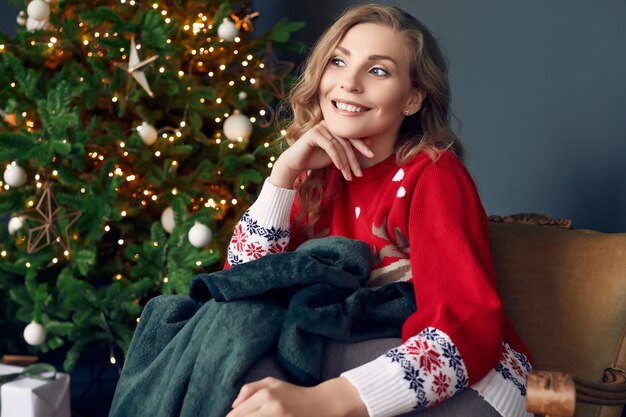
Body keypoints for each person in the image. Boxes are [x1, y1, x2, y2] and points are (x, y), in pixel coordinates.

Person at [224, 4, 532, 417]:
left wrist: (321, 401)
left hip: (471, 384)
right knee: (237, 347)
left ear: (413, 98)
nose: (349, 83)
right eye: (338, 61)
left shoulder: (432, 174)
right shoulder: (314, 177)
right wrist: (283, 176)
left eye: (378, 71)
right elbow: (241, 290)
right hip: (345, 364)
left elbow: (466, 328)